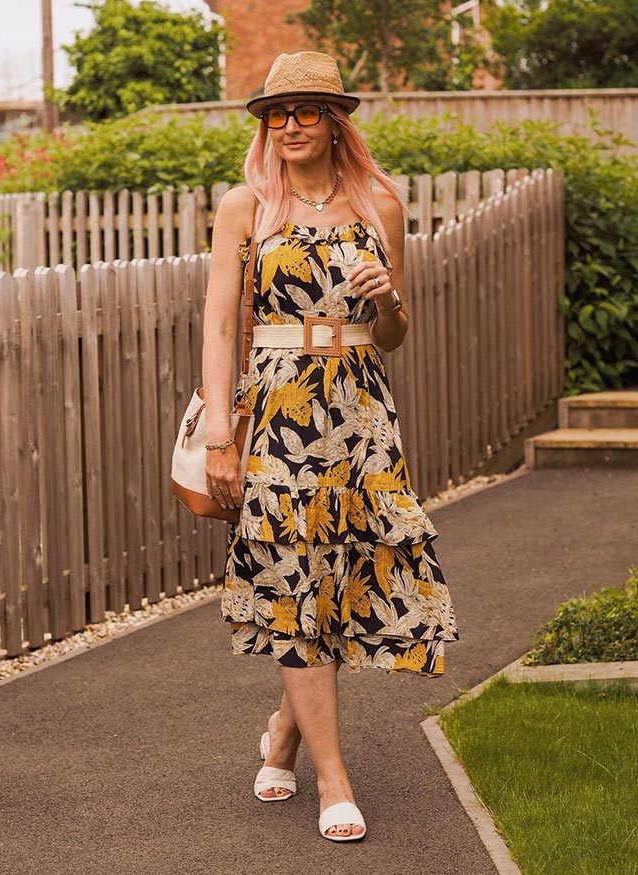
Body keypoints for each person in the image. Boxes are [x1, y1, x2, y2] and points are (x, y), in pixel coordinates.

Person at [201, 51, 459, 842]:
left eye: (306, 112)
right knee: (291, 574)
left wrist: (391, 301)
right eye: (277, 114)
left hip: (359, 413)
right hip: (277, 411)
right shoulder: (244, 206)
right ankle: (333, 778)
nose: (289, 126)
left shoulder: (380, 202)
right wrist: (220, 437)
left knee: (343, 573)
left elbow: (394, 337)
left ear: (335, 119)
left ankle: (284, 730)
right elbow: (216, 324)